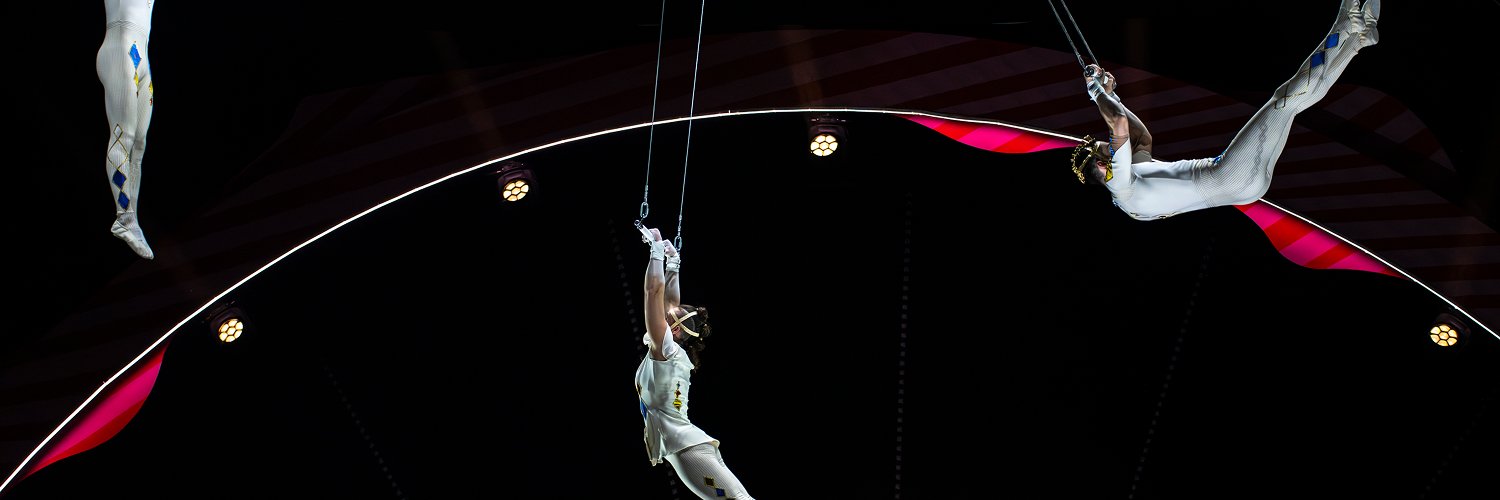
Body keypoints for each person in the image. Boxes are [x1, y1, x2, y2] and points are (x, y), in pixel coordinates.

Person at [1071, 0, 1380, 220]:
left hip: (1243, 188)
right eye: (1107, 149)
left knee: (1289, 107)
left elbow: (1142, 141)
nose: (1112, 149)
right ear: (1101, 167)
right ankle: (1345, 23)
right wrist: (1096, 91)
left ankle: (1357, 40)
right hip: (1229, 176)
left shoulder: (1130, 185)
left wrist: (1113, 94)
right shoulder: (1118, 180)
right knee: (1284, 100)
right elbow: (1119, 124)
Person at [635, 226, 754, 500]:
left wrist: (655, 252)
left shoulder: (665, 348)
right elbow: (668, 301)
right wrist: (672, 263)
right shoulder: (673, 350)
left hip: (686, 448)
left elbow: (654, 293)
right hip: (688, 445)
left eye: (669, 315)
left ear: (674, 329)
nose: (665, 312)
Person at [98, 0, 156, 258]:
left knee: (140, 144)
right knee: (125, 136)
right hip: (121, 47)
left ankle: (133, 219)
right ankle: (123, 217)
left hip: (142, 55)